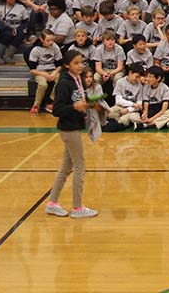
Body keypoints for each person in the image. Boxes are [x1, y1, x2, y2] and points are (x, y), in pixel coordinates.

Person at [44, 49, 99, 219]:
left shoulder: (77, 80)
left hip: (75, 126)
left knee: (66, 167)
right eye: (76, 63)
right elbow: (57, 109)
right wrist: (75, 107)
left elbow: (77, 100)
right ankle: (77, 207)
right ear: (67, 65)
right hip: (69, 129)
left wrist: (90, 105)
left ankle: (52, 203)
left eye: (81, 62)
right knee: (79, 166)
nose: (80, 66)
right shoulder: (64, 84)